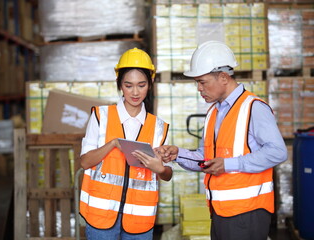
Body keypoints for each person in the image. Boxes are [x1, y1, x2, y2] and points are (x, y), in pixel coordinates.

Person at [155, 41, 288, 240]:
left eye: (203, 81)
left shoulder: (253, 108)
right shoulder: (214, 112)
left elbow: (278, 151)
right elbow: (206, 158)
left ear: (224, 77)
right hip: (220, 212)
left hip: (247, 212)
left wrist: (228, 165)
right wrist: (178, 154)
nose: (199, 88)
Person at [79, 47, 172, 240]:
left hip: (140, 220)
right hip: (101, 216)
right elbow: (85, 162)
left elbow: (168, 174)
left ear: (151, 83)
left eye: (141, 85)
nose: (135, 92)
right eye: (128, 85)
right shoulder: (100, 116)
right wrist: (112, 143)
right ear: (120, 84)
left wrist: (160, 169)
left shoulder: (158, 127)